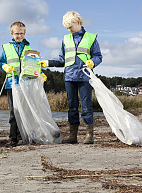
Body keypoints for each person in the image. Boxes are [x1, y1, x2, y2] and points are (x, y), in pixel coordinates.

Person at [39, 11, 102, 144]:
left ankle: (89, 135)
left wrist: (93, 62)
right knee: (72, 106)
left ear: (78, 22)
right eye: (67, 28)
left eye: (70, 26)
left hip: (85, 76)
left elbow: (98, 56)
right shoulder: (65, 39)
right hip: (69, 76)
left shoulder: (91, 38)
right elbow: (62, 60)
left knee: (86, 106)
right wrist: (48, 63)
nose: (69, 30)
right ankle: (73, 135)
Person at [0, 21, 33, 147]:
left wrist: (39, 73)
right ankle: (13, 138)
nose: (19, 36)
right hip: (11, 84)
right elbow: (2, 62)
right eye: (17, 34)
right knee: (14, 111)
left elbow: (33, 65)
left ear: (25, 33)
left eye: (22, 34)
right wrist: (5, 67)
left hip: (25, 84)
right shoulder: (6, 48)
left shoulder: (29, 49)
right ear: (12, 33)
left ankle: (23, 136)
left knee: (24, 110)